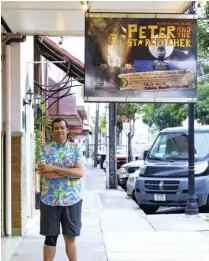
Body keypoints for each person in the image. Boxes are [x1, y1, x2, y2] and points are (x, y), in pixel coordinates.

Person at [38, 118, 84, 261]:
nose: (60, 130)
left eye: (62, 128)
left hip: (72, 200)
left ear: (67, 130)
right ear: (52, 131)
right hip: (49, 200)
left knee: (70, 237)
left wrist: (54, 169)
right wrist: (68, 171)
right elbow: (44, 173)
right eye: (56, 128)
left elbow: (79, 173)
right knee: (50, 238)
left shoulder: (76, 149)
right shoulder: (45, 149)